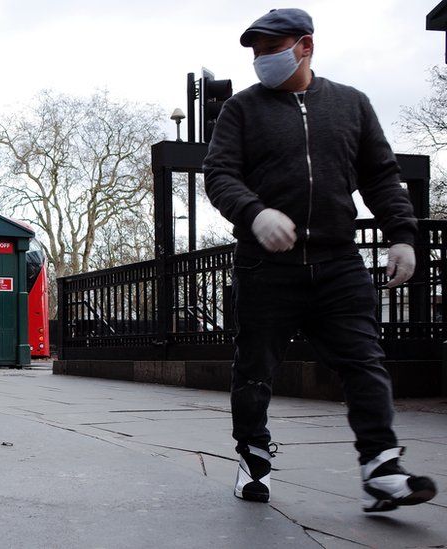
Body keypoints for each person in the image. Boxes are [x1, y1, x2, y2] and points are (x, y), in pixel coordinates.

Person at [204, 8, 438, 512]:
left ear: (305, 46)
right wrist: (255, 212)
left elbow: (380, 174)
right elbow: (219, 175)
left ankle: (381, 468)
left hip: (338, 261)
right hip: (265, 266)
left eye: (272, 49)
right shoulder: (241, 111)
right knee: (255, 368)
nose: (261, 60)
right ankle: (253, 457)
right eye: (256, 53)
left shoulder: (351, 105)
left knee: (364, 361)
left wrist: (402, 236)